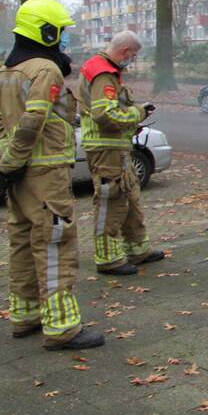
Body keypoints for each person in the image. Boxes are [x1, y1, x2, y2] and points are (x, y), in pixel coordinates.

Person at [0, 0, 104, 350]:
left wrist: (7, 165)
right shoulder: (45, 70)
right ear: (44, 31)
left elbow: (6, 123)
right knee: (55, 242)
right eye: (59, 32)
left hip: (20, 176)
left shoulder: (8, 68)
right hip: (44, 174)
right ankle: (62, 327)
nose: (63, 40)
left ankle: (25, 315)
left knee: (22, 241)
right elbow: (33, 121)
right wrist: (11, 161)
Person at [78, 31, 164, 275]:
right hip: (106, 149)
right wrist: (137, 113)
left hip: (115, 147)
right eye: (133, 55)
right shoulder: (103, 73)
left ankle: (138, 249)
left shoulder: (105, 70)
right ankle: (108, 259)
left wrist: (131, 121)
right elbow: (105, 115)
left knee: (130, 197)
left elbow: (113, 111)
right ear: (125, 51)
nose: (133, 60)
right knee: (111, 201)